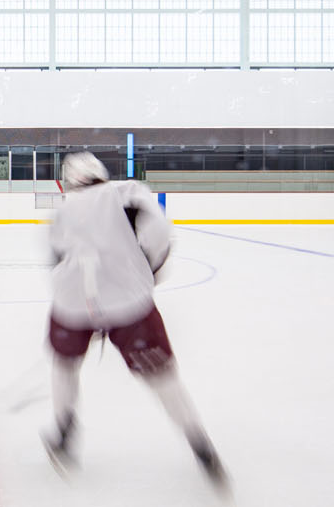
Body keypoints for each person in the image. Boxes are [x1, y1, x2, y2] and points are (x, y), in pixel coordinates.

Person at [43, 151, 227, 489]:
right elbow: (159, 236)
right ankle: (200, 445)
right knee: (161, 377)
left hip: (71, 304)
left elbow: (55, 261)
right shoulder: (128, 193)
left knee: (64, 365)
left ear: (69, 181)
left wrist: (91, 305)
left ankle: (64, 430)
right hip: (130, 304)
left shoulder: (64, 213)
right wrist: (143, 277)